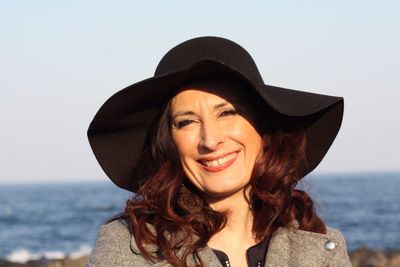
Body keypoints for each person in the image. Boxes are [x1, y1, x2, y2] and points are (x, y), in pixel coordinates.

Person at [86, 36, 352, 267]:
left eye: (227, 113)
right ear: (169, 143)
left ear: (263, 128)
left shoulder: (323, 249)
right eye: (187, 122)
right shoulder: (126, 246)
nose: (210, 140)